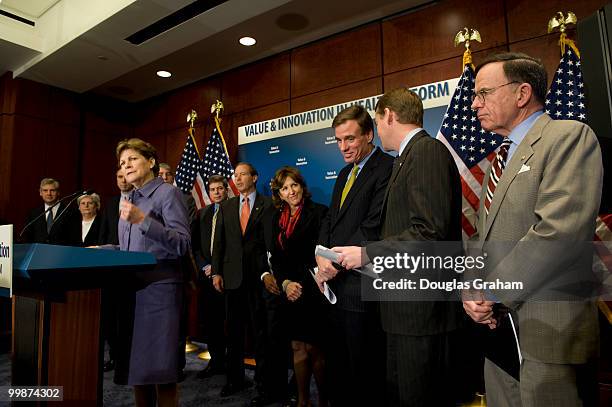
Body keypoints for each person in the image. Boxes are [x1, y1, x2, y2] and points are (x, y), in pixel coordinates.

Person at [463, 52, 603, 406]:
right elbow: (482, 238)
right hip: (498, 333)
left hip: (548, 332)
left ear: (522, 93)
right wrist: (473, 291)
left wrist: (491, 291)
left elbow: (558, 232)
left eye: (483, 94)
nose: (475, 104)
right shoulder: (500, 157)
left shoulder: (568, 137)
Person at [332, 88, 464, 405]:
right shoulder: (408, 157)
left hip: (420, 311)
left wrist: (366, 252)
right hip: (403, 310)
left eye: (377, 123)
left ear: (390, 115)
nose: (378, 131)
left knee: (420, 396)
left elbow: (428, 231)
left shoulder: (426, 151)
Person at [314, 105, 393, 405]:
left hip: (362, 288)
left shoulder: (387, 168)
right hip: (333, 288)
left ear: (369, 134)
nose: (343, 147)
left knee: (365, 375)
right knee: (339, 372)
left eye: (350, 139)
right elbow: (330, 221)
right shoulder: (346, 172)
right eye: (338, 140)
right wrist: (321, 258)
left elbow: (373, 227)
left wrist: (334, 264)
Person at [114, 138, 190, 407]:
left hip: (160, 292)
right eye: (122, 163)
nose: (126, 166)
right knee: (138, 371)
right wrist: (107, 249)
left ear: (151, 162)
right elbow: (132, 246)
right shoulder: (129, 199)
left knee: (161, 371)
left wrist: (143, 221)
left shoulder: (167, 193)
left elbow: (182, 242)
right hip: (131, 293)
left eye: (132, 159)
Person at [211, 162, 286, 406]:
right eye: (236, 175)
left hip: (258, 279)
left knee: (260, 335)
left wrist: (269, 273)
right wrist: (216, 272)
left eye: (243, 174)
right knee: (233, 334)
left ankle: (264, 386)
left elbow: (271, 244)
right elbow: (219, 243)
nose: (238, 178)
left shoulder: (268, 205)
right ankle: (235, 380)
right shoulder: (227, 205)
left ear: (255, 177)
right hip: (232, 279)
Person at [269, 166, 329, 407]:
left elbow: (322, 254)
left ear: (301, 187)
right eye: (285, 188)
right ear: (279, 194)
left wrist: (299, 285)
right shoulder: (276, 218)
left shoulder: (320, 213)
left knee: (315, 349)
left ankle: (324, 399)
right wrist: (285, 284)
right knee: (296, 347)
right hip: (289, 291)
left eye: (294, 185)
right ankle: (303, 400)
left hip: (313, 290)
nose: (290, 191)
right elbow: (275, 257)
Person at [192, 175, 230, 379]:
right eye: (213, 189)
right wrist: (206, 266)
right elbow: (195, 246)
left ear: (226, 190)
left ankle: (231, 366)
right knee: (211, 323)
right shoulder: (202, 213)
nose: (216, 192)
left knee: (230, 324)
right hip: (206, 278)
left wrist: (218, 269)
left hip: (228, 278)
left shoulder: (234, 211)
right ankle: (215, 362)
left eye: (220, 189)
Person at [98, 169, 134, 373]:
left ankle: (130, 359)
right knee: (111, 317)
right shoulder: (111, 203)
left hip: (133, 268)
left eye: (126, 176)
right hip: (111, 269)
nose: (123, 180)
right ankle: (115, 357)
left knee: (129, 317)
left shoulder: (141, 200)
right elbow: (104, 235)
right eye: (119, 177)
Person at [22, 178, 73, 244]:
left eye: (52, 190)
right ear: (40, 193)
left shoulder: (69, 211)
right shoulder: (34, 213)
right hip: (39, 252)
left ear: (58, 192)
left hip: (62, 253)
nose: (49, 193)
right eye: (45, 190)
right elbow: (28, 238)